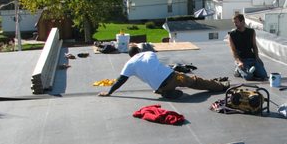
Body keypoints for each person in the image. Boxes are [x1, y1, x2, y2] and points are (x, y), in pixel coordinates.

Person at [98, 46, 229, 99]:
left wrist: (109, 92)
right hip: (173, 77)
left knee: (159, 84)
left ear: (130, 55)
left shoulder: (129, 64)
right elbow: (156, 64)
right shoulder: (149, 53)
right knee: (195, 81)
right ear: (139, 51)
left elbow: (120, 80)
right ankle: (221, 86)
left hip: (160, 86)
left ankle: (165, 92)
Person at [228, 14, 268, 81]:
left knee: (263, 75)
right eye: (234, 22)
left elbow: (254, 46)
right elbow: (233, 51)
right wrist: (239, 62)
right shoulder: (232, 35)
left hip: (252, 58)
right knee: (249, 77)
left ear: (242, 21)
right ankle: (238, 70)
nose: (235, 24)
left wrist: (257, 58)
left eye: (236, 22)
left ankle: (250, 70)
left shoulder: (251, 32)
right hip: (242, 60)